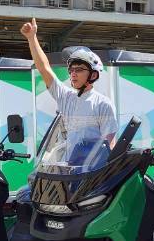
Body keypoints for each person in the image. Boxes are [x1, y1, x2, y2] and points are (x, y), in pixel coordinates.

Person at [21, 19, 116, 156]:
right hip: (68, 169)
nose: (73, 74)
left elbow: (110, 145)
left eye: (79, 70)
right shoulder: (66, 97)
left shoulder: (103, 104)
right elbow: (44, 68)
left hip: (91, 172)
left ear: (93, 75)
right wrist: (31, 38)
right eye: (71, 70)